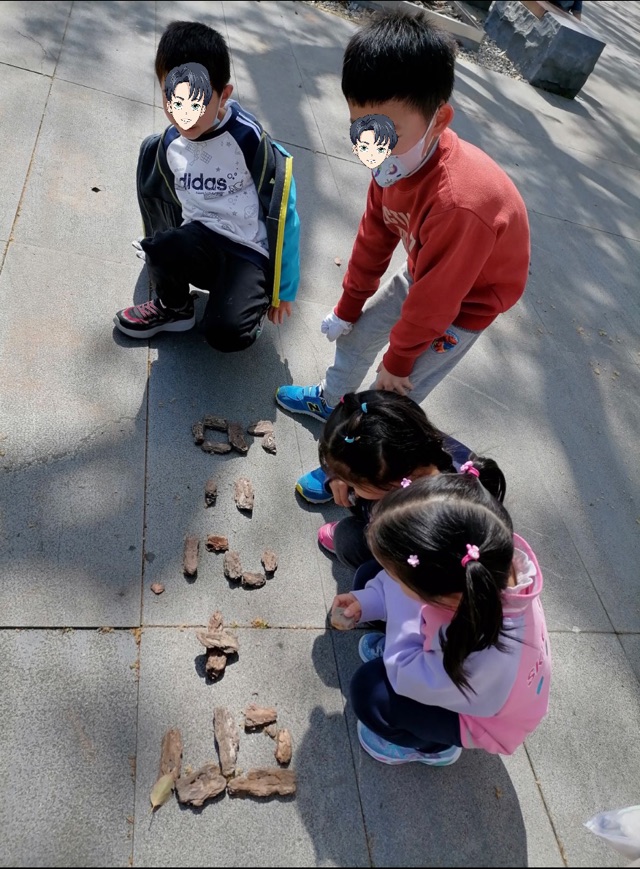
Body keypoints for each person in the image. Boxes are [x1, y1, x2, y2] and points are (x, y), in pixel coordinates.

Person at [275, 11, 529, 500]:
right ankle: (332, 402)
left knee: (390, 397)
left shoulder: (460, 202)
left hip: (463, 305)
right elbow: (374, 238)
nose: (369, 143)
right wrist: (348, 310)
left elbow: (439, 299)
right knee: (356, 339)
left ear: (439, 121)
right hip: (424, 274)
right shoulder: (390, 161)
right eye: (359, 126)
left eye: (385, 129)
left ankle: (358, 473)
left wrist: (401, 360)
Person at [331, 474, 551, 766]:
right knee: (369, 576)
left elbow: (404, 674)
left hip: (475, 713)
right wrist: (369, 601)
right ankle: (404, 619)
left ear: (440, 593)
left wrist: (400, 613)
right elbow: (399, 589)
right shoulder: (479, 564)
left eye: (400, 579)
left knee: (368, 693)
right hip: (455, 667)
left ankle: (432, 746)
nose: (393, 580)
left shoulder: (486, 660)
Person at [114, 21, 300, 351]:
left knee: (224, 335)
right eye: (173, 98)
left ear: (223, 95)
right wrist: (163, 253)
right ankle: (176, 309)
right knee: (158, 246)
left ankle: (246, 308)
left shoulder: (246, 136)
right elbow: (159, 198)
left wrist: (283, 288)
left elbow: (284, 203)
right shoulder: (168, 144)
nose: (183, 114)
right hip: (201, 239)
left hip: (246, 251)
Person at [315, 390, 506, 571]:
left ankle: (369, 561)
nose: (353, 490)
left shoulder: (434, 523)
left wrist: (373, 593)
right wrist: (335, 475)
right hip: (388, 530)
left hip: (409, 568)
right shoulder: (407, 443)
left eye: (355, 483)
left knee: (347, 539)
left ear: (396, 485)